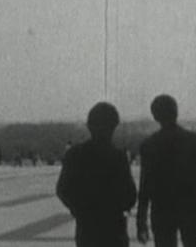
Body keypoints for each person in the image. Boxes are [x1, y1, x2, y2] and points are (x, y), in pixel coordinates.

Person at [56, 102, 137, 247]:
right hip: (114, 227)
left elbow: (63, 190)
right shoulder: (118, 157)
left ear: (89, 126)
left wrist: (79, 209)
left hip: (86, 227)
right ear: (113, 127)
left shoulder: (74, 155)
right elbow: (130, 195)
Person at [136, 95, 196, 247]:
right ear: (176, 111)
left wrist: (141, 221)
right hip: (191, 210)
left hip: (162, 210)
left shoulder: (149, 145)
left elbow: (145, 187)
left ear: (155, 116)